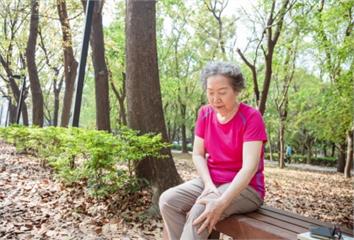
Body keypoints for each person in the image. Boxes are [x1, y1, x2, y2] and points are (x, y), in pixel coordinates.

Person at [159, 61, 268, 240]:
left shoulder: (251, 117)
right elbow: (197, 154)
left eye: (222, 92)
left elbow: (249, 168)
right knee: (168, 200)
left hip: (247, 187)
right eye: (210, 92)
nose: (215, 98)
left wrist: (220, 202)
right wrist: (208, 185)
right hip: (212, 181)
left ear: (236, 90)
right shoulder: (205, 113)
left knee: (201, 211)